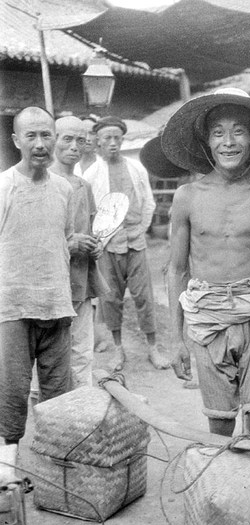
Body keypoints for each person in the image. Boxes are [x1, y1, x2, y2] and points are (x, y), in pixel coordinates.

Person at [163, 88, 250, 437]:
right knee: (220, 423)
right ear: (206, 141)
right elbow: (176, 270)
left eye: (239, 131)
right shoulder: (187, 196)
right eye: (218, 132)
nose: (228, 142)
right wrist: (175, 340)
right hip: (206, 315)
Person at [0, 106, 76, 481]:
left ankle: (55, 477)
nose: (40, 144)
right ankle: (7, 477)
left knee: (59, 396)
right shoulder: (3, 187)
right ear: (17, 140)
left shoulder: (64, 189)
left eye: (47, 135)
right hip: (12, 307)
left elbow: (63, 242)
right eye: (31, 135)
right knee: (11, 394)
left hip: (56, 304)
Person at [83, 115, 169, 371]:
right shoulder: (92, 174)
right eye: (107, 138)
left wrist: (140, 229)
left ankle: (153, 348)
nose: (113, 143)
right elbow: (89, 211)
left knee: (144, 296)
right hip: (108, 244)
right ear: (98, 142)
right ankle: (118, 350)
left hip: (135, 241)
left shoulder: (136, 168)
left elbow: (148, 202)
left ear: (122, 140)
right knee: (111, 299)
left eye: (117, 138)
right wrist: (100, 238)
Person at [50, 115, 109, 387]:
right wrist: (69, 244)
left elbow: (92, 229)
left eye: (81, 141)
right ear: (53, 140)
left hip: (80, 283)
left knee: (82, 354)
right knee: (49, 356)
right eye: (67, 139)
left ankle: (80, 408)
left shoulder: (84, 186)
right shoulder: (42, 182)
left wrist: (95, 247)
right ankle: (44, 411)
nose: (74, 146)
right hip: (50, 286)